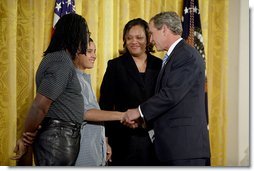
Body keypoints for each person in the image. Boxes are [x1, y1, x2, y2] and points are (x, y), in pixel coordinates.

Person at [121, 11, 211, 166]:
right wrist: (144, 121)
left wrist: (139, 111)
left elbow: (171, 94)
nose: (150, 39)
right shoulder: (175, 55)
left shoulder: (185, 55)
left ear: (164, 29)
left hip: (184, 149)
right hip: (173, 147)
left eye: (151, 33)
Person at [11, 13, 89, 165]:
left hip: (59, 137)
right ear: (75, 34)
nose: (86, 39)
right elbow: (40, 105)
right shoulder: (60, 61)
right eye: (85, 34)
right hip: (58, 139)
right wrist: (26, 136)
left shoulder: (60, 59)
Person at [99, 18, 162, 166]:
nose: (134, 41)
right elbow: (105, 104)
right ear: (124, 41)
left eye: (139, 37)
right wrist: (105, 139)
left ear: (148, 39)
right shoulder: (115, 65)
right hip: (123, 140)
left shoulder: (160, 65)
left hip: (155, 140)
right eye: (129, 38)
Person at [74, 38, 124, 166]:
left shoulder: (84, 79)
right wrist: (123, 115)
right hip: (82, 152)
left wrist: (104, 143)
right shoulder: (74, 80)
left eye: (95, 51)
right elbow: (86, 113)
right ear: (76, 53)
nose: (94, 56)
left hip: (95, 151)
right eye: (89, 51)